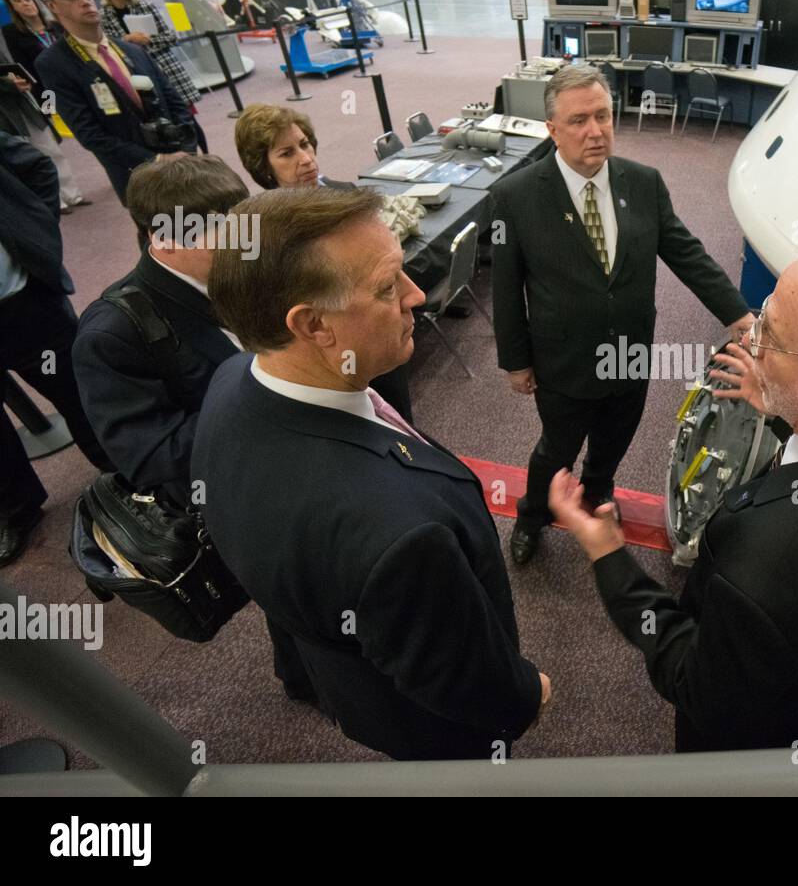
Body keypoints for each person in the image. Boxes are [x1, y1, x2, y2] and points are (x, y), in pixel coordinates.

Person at [549, 231, 798, 752]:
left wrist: (609, 557)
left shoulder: (764, 565)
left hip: (734, 745)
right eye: (762, 311)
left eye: (773, 335)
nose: (749, 340)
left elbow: (694, 683)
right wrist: (785, 410)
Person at [192, 187, 549, 760]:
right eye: (387, 288)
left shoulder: (234, 378)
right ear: (312, 325)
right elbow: (469, 682)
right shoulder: (398, 533)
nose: (417, 296)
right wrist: (527, 695)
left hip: (352, 675)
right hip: (439, 726)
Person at [491, 64, 753, 565]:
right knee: (554, 452)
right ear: (552, 128)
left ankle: (595, 497)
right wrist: (516, 361)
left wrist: (737, 314)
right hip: (562, 362)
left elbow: (686, 253)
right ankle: (531, 517)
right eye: (578, 121)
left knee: (610, 449)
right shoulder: (515, 197)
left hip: (630, 357)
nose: (595, 131)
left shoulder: (645, 183)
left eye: (603, 117)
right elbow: (506, 289)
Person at [72, 155, 249, 511]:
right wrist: (271, 387)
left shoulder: (237, 262)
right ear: (164, 239)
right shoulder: (112, 335)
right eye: (220, 232)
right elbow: (151, 456)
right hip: (229, 489)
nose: (244, 243)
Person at [231, 102, 412, 419]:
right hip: (324, 370)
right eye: (286, 154)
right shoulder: (258, 232)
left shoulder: (346, 196)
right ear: (264, 168)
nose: (306, 159)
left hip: (378, 345)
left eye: (305, 144)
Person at [0, 131, 110, 566]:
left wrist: (36, 233)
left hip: (23, 302)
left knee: (74, 389)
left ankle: (117, 470)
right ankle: (17, 509)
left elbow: (37, 165)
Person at [26, 0, 200, 204]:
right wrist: (157, 160)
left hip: (182, 160)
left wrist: (187, 149)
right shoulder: (53, 63)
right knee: (163, 237)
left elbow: (174, 100)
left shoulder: (131, 49)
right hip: (137, 175)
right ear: (52, 6)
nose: (85, 1)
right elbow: (90, 135)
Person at [1, 0, 89, 212]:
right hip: (41, 92)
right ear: (12, 8)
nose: (25, 3)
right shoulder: (12, 33)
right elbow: (18, 65)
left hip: (68, 85)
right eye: (17, 1)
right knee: (47, 141)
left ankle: (73, 195)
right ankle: (57, 198)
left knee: (70, 134)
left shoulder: (54, 27)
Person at [92, 0, 203, 119]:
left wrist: (148, 39)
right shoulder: (103, 16)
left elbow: (171, 37)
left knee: (185, 114)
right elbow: (109, 47)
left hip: (164, 66)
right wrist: (127, 39)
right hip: (136, 71)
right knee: (156, 115)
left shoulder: (144, 6)